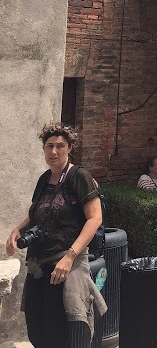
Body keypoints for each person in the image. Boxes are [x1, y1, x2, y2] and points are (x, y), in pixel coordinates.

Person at [5, 123, 107, 348]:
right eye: (49, 146)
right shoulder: (44, 179)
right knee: (38, 329)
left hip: (66, 263)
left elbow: (94, 218)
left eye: (60, 146)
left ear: (70, 147)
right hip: (39, 264)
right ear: (43, 149)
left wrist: (70, 256)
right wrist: (17, 230)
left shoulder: (79, 176)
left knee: (67, 330)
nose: (54, 151)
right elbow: (39, 214)